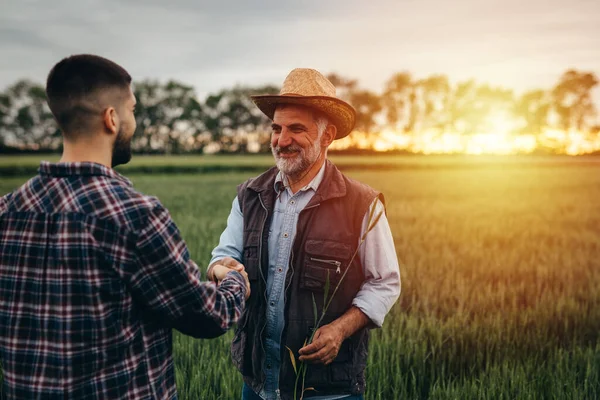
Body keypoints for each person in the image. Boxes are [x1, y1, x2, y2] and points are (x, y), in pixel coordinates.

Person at [0, 54, 250, 400]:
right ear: (112, 118)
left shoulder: (9, 209)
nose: (134, 121)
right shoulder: (133, 214)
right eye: (132, 110)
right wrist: (234, 279)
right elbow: (207, 316)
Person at [208, 68, 401, 400]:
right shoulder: (250, 195)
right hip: (258, 384)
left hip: (328, 390)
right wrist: (223, 270)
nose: (282, 140)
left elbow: (385, 281)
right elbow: (219, 260)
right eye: (277, 128)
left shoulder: (362, 204)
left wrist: (341, 329)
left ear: (327, 137)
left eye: (296, 129)